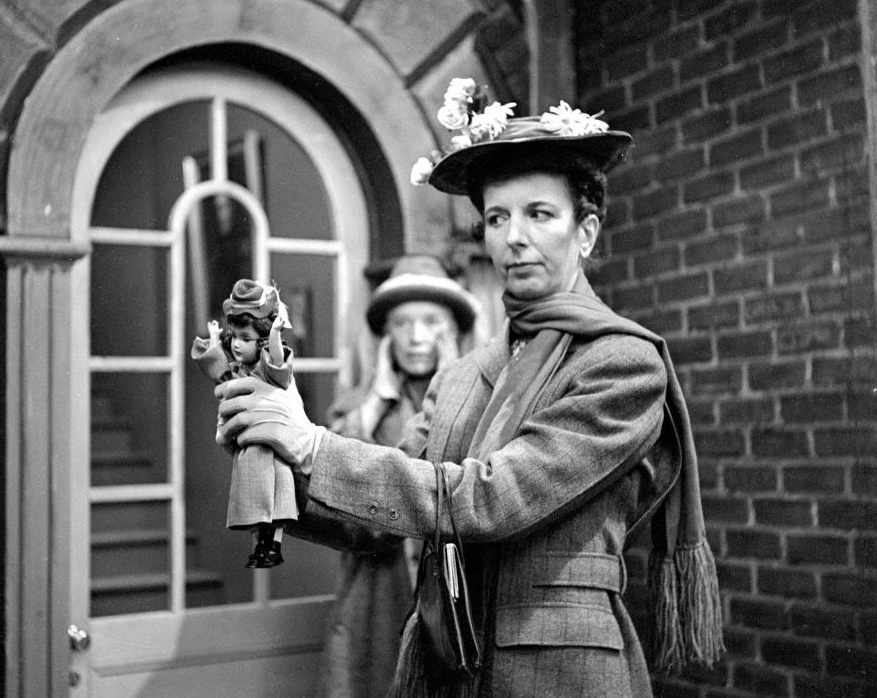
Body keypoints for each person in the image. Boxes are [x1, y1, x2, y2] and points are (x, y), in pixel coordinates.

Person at [216, 78, 724, 696]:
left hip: (560, 674)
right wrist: (270, 448)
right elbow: (383, 520)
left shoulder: (622, 363)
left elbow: (494, 500)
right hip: (448, 666)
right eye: (496, 218)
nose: (514, 236)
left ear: (584, 233)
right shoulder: (462, 374)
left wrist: (315, 446)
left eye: (540, 214)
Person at [318, 255, 480, 698]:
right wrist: (377, 398)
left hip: (452, 599)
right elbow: (339, 490)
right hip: (377, 596)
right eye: (401, 324)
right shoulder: (356, 407)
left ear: (453, 331)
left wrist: (453, 385)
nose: (415, 337)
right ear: (386, 335)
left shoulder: (484, 404)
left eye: (431, 322)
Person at [192, 279, 295, 568]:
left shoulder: (266, 372)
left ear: (260, 341)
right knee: (255, 504)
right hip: (248, 450)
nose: (237, 344)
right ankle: (262, 547)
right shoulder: (238, 372)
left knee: (274, 504)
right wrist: (214, 339)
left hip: (271, 450)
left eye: (246, 338)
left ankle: (273, 547)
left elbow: (277, 359)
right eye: (235, 336)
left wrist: (275, 333)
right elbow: (218, 370)